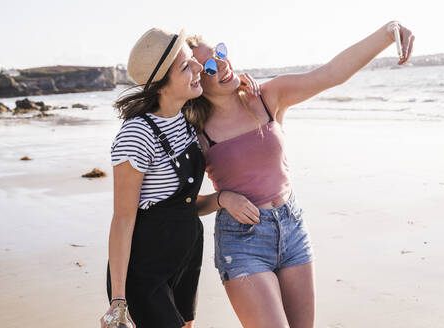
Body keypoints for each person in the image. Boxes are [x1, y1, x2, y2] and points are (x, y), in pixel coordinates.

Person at [185, 21, 415, 327]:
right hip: (242, 242)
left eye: (220, 54)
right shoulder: (196, 132)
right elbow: (185, 203)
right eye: (210, 67)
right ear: (197, 82)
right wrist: (222, 198)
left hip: (292, 229)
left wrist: (388, 33)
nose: (223, 65)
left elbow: (330, 74)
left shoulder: (268, 97)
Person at [99, 28, 260, 328]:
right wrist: (118, 301)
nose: (199, 67)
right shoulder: (136, 135)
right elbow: (123, 219)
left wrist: (222, 198)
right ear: (161, 86)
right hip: (145, 271)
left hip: (186, 257)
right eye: (186, 66)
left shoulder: (188, 119)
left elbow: (181, 204)